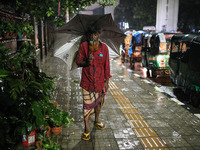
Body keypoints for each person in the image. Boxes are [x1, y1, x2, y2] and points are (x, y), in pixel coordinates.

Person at [76, 25, 112, 141]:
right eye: (91, 34)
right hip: (87, 82)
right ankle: (86, 129)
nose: (93, 36)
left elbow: (107, 65)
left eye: (95, 34)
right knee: (86, 106)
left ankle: (96, 120)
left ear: (99, 35)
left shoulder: (104, 48)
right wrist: (86, 62)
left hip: (100, 82)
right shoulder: (83, 46)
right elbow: (78, 62)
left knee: (99, 103)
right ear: (88, 35)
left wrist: (107, 81)